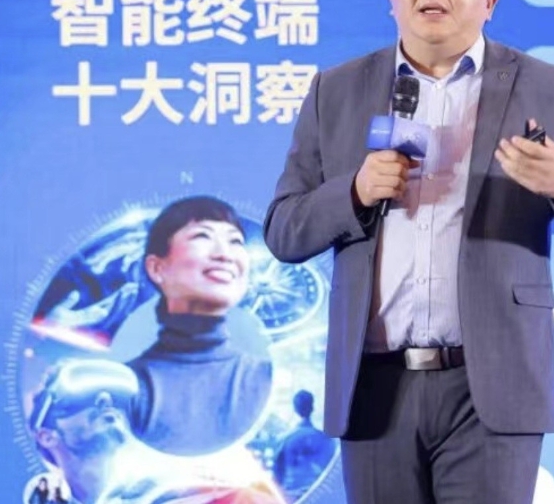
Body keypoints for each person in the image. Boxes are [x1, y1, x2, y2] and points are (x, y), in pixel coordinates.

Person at [263, 0, 554, 503]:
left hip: (492, 386)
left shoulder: (545, 86)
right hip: (374, 388)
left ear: (490, 0)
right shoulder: (336, 90)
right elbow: (284, 231)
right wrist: (355, 192)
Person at [127, 195, 273, 455]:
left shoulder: (268, 381)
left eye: (235, 241)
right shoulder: (124, 388)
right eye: (202, 236)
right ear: (157, 268)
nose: (224, 254)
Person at [27, 358, 284, 504]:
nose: (106, 403)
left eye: (117, 398)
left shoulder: (204, 490)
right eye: (80, 399)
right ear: (46, 436)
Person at [272, 390, 336, 501]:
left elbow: (277, 476)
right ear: (312, 408)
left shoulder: (284, 440)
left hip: (293, 497)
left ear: (295, 409)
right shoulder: (326, 440)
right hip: (321, 497)